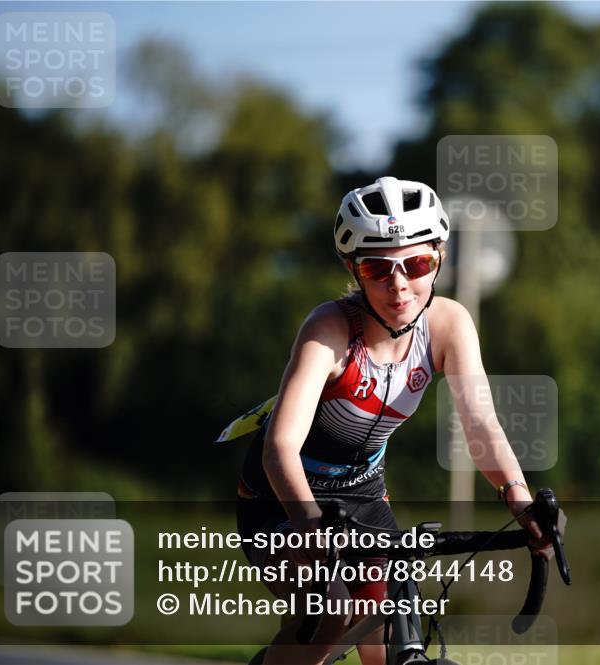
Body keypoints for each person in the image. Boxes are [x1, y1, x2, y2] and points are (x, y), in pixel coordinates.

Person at [224, 177, 548, 665]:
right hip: (281, 495)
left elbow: (481, 426)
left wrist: (522, 501)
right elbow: (280, 447)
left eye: (416, 264)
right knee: (332, 610)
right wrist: (309, 527)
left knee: (386, 635)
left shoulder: (449, 323)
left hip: (363, 493)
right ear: (353, 269)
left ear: (438, 257)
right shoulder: (330, 328)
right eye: (379, 268)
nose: (399, 285)